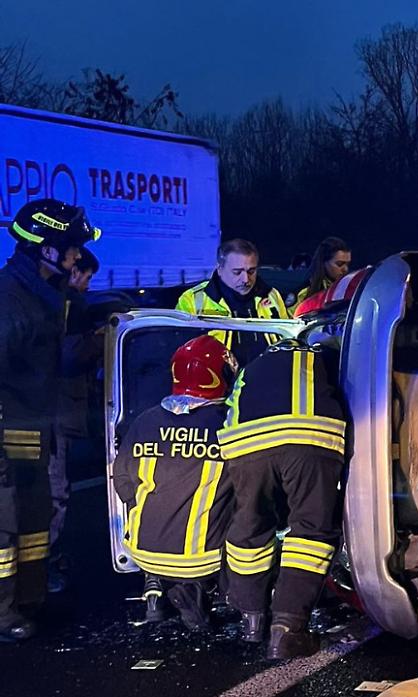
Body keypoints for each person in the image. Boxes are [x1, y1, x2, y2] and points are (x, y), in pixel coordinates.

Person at [0, 198, 99, 642]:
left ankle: (28, 598)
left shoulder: (44, 295)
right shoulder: (9, 300)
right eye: (72, 247)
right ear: (45, 249)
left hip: (34, 424)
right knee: (4, 523)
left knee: (34, 518)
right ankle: (3, 614)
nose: (77, 255)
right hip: (8, 426)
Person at [219, 339, 347, 659]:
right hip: (310, 437)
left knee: (250, 525)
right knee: (310, 531)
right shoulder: (324, 355)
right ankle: (287, 631)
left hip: (245, 445)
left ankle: (251, 620)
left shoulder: (253, 366)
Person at [112, 336, 236, 629]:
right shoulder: (228, 424)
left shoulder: (145, 421)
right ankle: (208, 590)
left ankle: (154, 586)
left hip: (141, 550)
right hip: (202, 558)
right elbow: (252, 488)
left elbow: (123, 481)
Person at [47, 249, 103, 592]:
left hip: (49, 413)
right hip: (53, 414)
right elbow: (69, 358)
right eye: (86, 276)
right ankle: (43, 564)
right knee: (54, 491)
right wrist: (96, 342)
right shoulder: (67, 306)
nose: (86, 284)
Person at [175, 239, 289, 365]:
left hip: (266, 378)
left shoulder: (272, 295)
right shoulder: (193, 300)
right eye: (237, 272)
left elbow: (288, 340)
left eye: (251, 271)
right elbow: (179, 353)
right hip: (217, 381)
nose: (246, 279)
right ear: (220, 269)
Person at [295, 238, 351, 306]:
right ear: (323, 262)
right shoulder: (306, 291)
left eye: (348, 264)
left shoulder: (351, 288)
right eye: (339, 264)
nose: (345, 269)